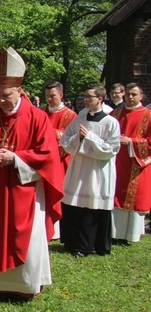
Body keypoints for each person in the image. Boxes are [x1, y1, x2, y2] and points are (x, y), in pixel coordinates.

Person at [0, 48, 63, 303]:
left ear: (18, 91)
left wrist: (15, 158)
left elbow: (47, 156)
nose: (2, 101)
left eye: (6, 95)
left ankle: (25, 286)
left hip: (25, 191)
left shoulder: (37, 118)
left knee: (25, 236)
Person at [60, 86, 120, 257]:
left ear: (100, 99)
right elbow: (65, 140)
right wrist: (78, 138)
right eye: (84, 96)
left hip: (98, 171)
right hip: (79, 168)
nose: (86, 99)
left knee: (92, 208)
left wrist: (90, 137)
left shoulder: (111, 122)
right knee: (75, 206)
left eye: (90, 97)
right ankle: (72, 243)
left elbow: (112, 149)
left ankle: (88, 246)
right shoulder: (79, 118)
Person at [111, 83, 151, 245]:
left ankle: (132, 235)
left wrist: (131, 142)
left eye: (134, 94)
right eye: (128, 94)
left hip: (137, 163)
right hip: (116, 161)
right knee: (116, 195)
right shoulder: (116, 113)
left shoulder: (148, 115)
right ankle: (115, 232)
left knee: (136, 197)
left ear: (141, 96)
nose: (130, 97)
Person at [43, 81, 77, 240]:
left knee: (59, 194)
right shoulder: (41, 113)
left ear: (61, 95)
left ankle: (58, 230)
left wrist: (53, 133)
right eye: (47, 96)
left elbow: (72, 140)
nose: (49, 99)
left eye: (53, 96)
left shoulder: (71, 115)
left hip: (62, 160)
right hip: (43, 162)